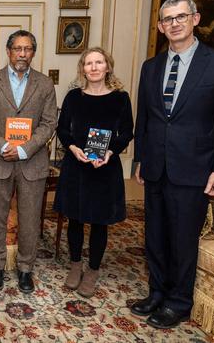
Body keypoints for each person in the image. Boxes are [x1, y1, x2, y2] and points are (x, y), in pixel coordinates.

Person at [132, 0, 214, 329]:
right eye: (167, 19)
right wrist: (139, 158)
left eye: (181, 17)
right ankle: (157, 292)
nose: (174, 23)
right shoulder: (151, 67)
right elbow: (145, 120)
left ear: (195, 18)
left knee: (182, 237)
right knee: (156, 234)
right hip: (155, 166)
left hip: (194, 168)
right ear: (161, 27)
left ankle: (178, 302)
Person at [0, 30, 58, 293]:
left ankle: (25, 270)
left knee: (30, 218)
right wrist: (2, 145)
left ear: (34, 52)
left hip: (32, 163)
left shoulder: (45, 84)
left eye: (28, 49)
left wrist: (24, 149)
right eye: (17, 49)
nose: (22, 54)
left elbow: (49, 123)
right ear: (8, 51)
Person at [53, 47, 134, 298]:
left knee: (99, 221)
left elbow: (127, 132)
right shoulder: (73, 97)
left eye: (99, 62)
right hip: (76, 165)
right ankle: (75, 265)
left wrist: (110, 152)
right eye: (89, 63)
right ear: (83, 68)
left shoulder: (120, 98)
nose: (94, 67)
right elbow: (63, 129)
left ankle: (93, 270)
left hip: (104, 168)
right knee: (75, 218)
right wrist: (74, 148)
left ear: (107, 66)